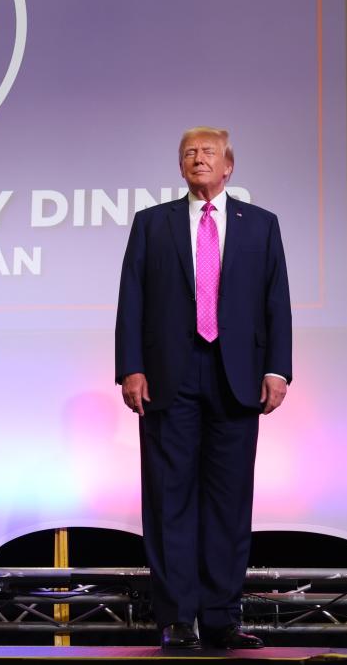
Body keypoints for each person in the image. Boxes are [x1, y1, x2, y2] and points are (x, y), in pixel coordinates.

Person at [115, 126, 293, 650]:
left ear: (228, 166)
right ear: (180, 166)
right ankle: (177, 618)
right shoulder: (153, 224)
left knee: (229, 501)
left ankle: (220, 617)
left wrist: (277, 369)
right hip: (169, 375)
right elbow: (132, 299)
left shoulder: (260, 225)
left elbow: (275, 300)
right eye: (189, 153)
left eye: (208, 153)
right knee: (170, 499)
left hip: (236, 378)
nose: (198, 159)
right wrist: (131, 367)